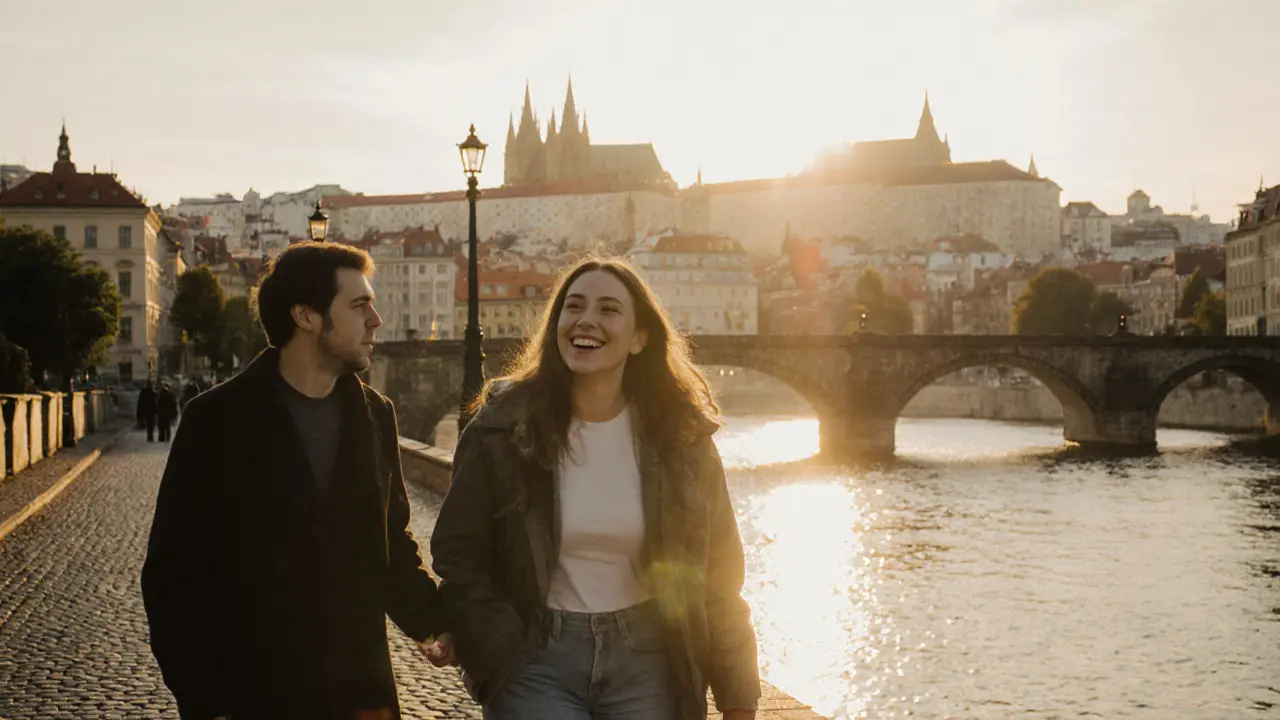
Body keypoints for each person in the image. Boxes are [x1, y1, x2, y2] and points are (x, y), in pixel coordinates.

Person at [431, 258, 761, 720]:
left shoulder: (681, 440)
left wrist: (738, 697)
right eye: (574, 307)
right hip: (535, 656)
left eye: (609, 309)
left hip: (649, 660)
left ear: (640, 338)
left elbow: (720, 574)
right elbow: (459, 552)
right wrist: (491, 640)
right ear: (557, 325)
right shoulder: (503, 427)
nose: (587, 320)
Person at [142, 242, 454, 720]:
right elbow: (173, 576)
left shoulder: (375, 415)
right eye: (358, 305)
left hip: (361, 698)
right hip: (255, 695)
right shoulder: (216, 420)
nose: (377, 320)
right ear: (306, 316)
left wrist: (436, 623)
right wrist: (205, 699)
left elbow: (390, 546)